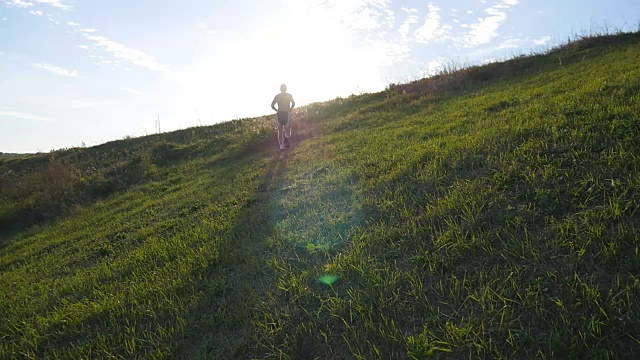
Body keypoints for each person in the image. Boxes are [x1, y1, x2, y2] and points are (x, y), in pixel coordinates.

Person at [271, 84, 295, 150]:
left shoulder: (277, 96)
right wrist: (290, 108)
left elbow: (272, 105)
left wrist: (276, 110)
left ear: (280, 89)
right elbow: (293, 103)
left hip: (279, 113)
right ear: (286, 89)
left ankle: (281, 147)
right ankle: (287, 137)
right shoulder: (289, 95)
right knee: (288, 129)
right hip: (287, 112)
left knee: (280, 130)